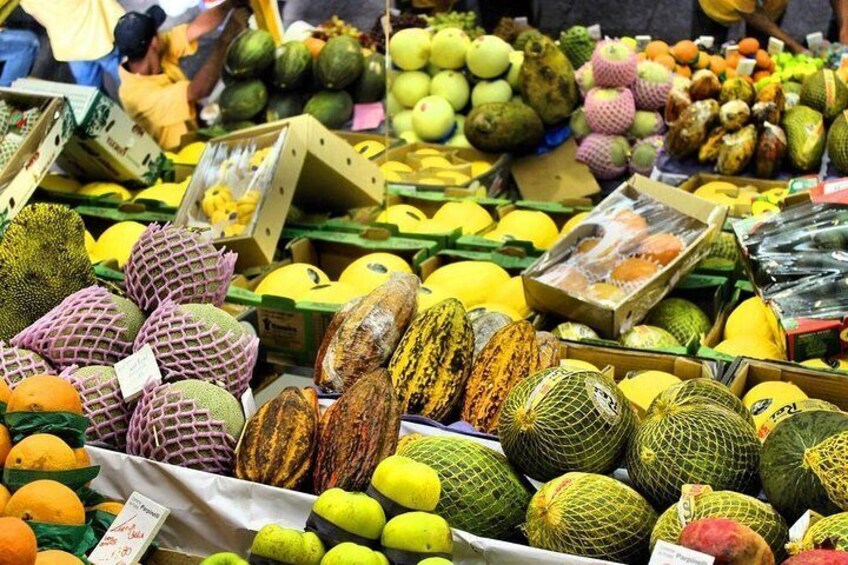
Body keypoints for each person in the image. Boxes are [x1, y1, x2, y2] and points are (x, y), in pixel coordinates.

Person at [115, 1, 247, 151]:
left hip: (197, 124)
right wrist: (228, 35)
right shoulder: (135, 96)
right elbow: (199, 90)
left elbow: (196, 28)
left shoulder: (150, 52)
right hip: (183, 151)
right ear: (153, 43)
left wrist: (228, 5)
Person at [19, 0, 124, 90]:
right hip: (99, 38)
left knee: (92, 91)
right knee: (128, 80)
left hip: (70, 48)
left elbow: (41, 19)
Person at [696, 0, 848, 53]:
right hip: (718, 5)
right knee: (706, 52)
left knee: (762, 51)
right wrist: (795, 46)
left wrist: (844, 28)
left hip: (771, 6)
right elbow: (753, 14)